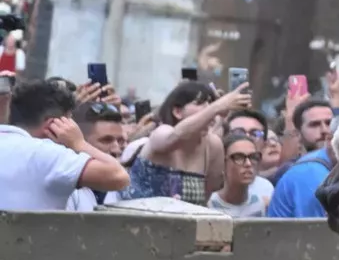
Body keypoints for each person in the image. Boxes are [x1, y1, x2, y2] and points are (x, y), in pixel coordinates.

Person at [0, 80, 129, 211]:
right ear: (53, 125)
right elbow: (118, 176)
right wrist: (79, 143)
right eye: (70, 122)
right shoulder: (46, 154)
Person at [123, 82, 249, 204]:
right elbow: (173, 138)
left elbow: (204, 201)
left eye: (210, 103)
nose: (209, 108)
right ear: (177, 112)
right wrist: (216, 107)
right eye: (200, 103)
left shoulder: (213, 146)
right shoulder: (162, 132)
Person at [208, 132, 272, 217]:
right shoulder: (208, 206)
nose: (248, 164)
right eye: (238, 157)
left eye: (253, 157)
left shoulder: (262, 205)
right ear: (223, 163)